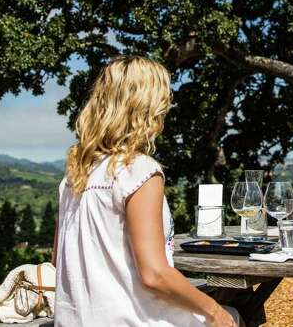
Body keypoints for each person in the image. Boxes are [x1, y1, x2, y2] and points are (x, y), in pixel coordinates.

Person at [53, 56, 239, 327]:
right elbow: (154, 275)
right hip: (132, 319)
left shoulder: (75, 175)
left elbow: (60, 259)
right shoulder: (138, 171)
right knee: (232, 315)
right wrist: (214, 311)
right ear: (148, 108)